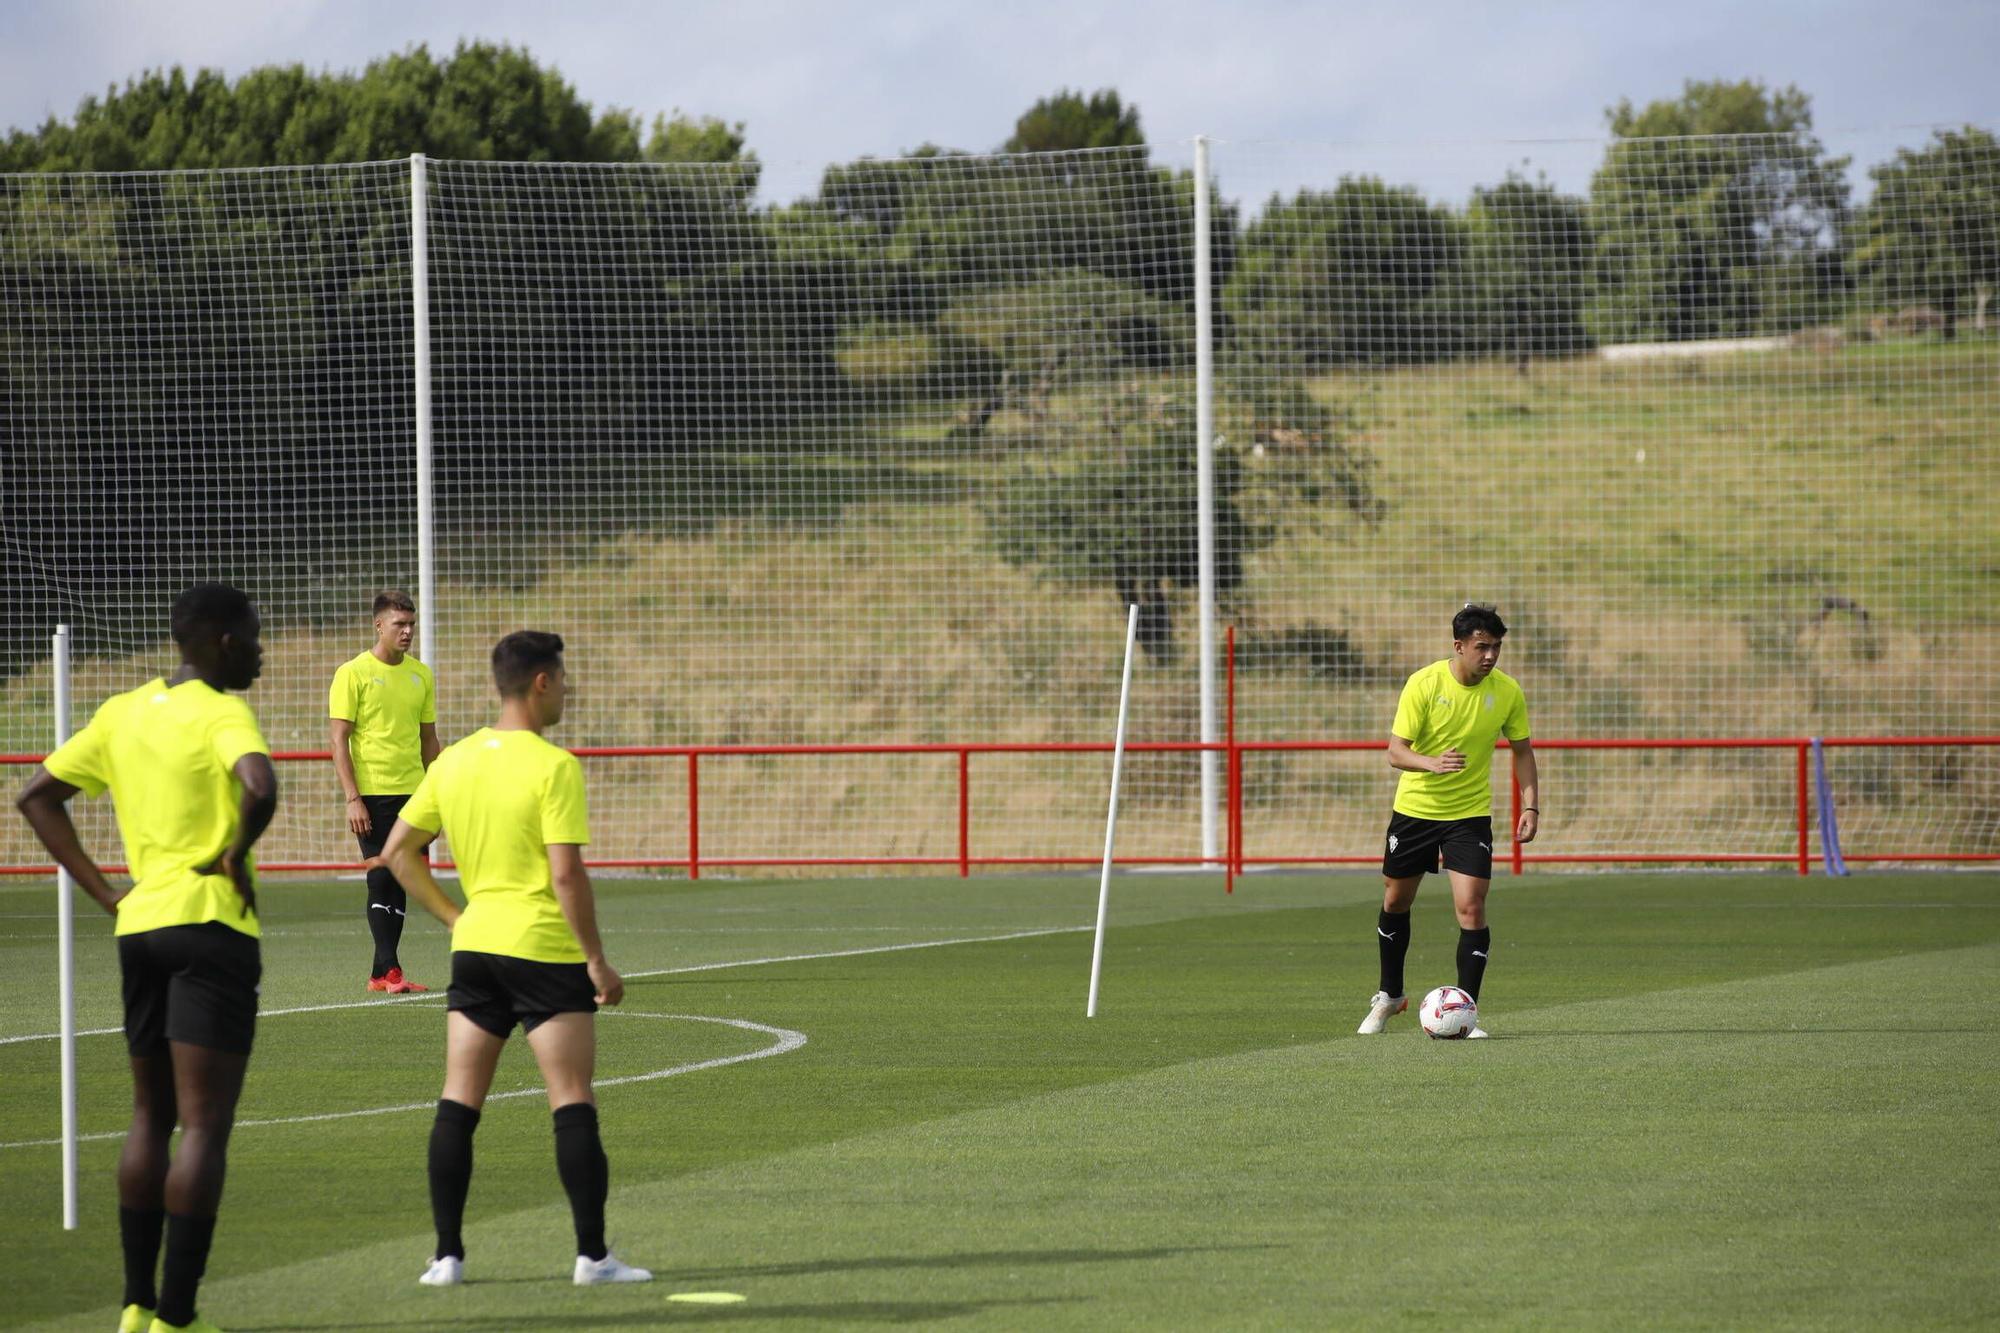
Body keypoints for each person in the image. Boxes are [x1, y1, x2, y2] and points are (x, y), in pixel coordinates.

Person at [16, 584, 278, 1333]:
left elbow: (36, 796)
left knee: (148, 1115)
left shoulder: (122, 710)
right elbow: (260, 784)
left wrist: (109, 896)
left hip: (141, 926)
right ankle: (179, 1316)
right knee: (203, 1125)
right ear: (224, 640)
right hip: (209, 925)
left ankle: (134, 1306)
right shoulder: (223, 711)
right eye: (255, 636)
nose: (262, 650)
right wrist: (233, 853)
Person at [380, 630, 650, 1288]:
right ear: (541, 682)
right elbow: (565, 876)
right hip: (543, 950)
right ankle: (592, 1256)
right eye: (562, 677)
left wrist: (456, 917)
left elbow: (395, 853)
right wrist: (597, 961)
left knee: (458, 1102)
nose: (567, 689)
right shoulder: (553, 765)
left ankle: (446, 1257)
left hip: (474, 950)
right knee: (572, 1098)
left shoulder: (454, 761)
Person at [1358, 603, 1539, 1039]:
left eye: (1496, 647)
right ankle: (1389, 995)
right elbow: (1395, 752)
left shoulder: (1507, 691)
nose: (1490, 656)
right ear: (1458, 646)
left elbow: (1522, 750)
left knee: (1471, 907)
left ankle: (1467, 1011)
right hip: (1416, 812)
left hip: (1469, 815)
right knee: (1397, 902)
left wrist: (1531, 806)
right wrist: (1431, 763)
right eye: (1482, 647)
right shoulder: (1424, 684)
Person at [329, 590, 439, 993]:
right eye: (400, 624)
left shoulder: (420, 675)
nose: (408, 631)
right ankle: (391, 972)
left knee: (404, 877)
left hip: (415, 793)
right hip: (372, 795)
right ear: (379, 625)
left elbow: (430, 740)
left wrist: (437, 793)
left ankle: (381, 973)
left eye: (411, 624)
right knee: (380, 878)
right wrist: (352, 797)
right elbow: (339, 740)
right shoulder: (352, 673)